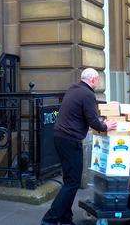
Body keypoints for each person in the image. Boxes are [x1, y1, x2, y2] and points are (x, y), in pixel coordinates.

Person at [41, 68, 117, 225]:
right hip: (70, 140)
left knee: (69, 179)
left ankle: (65, 218)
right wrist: (105, 126)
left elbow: (82, 115)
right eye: (98, 80)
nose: (98, 83)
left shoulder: (73, 89)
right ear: (93, 80)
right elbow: (92, 121)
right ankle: (50, 219)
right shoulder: (88, 94)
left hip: (60, 137)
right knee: (73, 182)